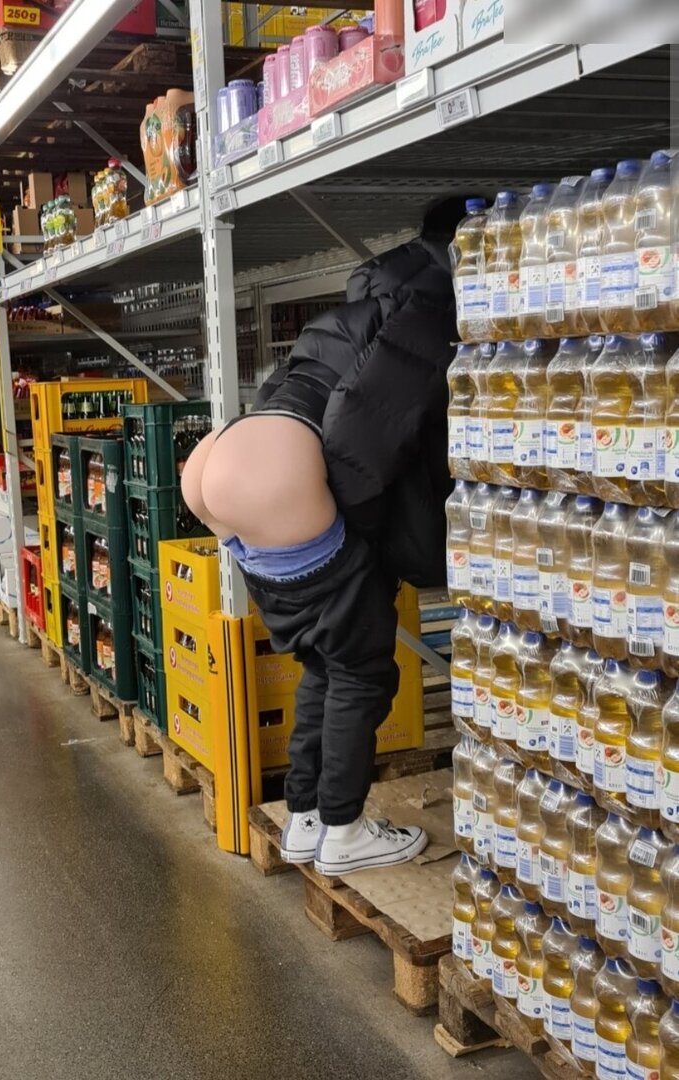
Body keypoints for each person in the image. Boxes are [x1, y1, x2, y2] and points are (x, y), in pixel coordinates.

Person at [181, 197, 466, 875]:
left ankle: (307, 817)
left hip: (227, 462)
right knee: (364, 671)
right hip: (279, 474)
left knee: (326, 663)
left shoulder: (368, 294)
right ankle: (344, 832)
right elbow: (364, 427)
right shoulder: (431, 302)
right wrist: (365, 539)